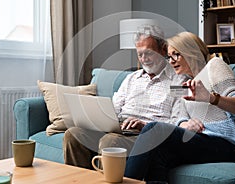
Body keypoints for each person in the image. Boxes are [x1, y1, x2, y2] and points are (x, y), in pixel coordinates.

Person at [124, 31, 235, 182]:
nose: (171, 61)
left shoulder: (214, 66)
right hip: (199, 140)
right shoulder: (184, 83)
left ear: (190, 52)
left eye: (176, 55)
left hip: (227, 144)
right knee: (157, 154)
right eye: (169, 57)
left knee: (153, 129)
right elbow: (180, 118)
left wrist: (211, 98)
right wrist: (184, 124)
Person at [63, 25, 188, 169]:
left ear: (163, 49)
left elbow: (177, 122)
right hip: (120, 129)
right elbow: (114, 109)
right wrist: (100, 119)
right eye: (140, 54)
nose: (144, 59)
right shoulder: (132, 78)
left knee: (111, 142)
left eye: (148, 53)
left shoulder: (178, 80)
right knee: (73, 134)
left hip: (145, 136)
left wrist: (145, 126)